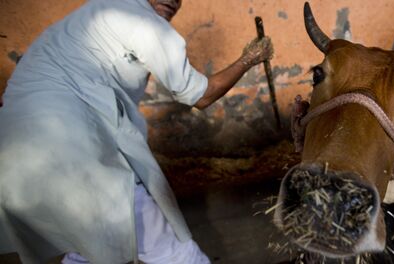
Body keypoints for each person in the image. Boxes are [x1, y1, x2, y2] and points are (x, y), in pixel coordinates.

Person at [0, 0, 273, 263]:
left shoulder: (96, 11)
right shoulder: (143, 22)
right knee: (170, 248)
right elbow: (200, 96)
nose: (172, 0)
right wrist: (249, 59)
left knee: (90, 241)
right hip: (67, 147)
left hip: (14, 152)